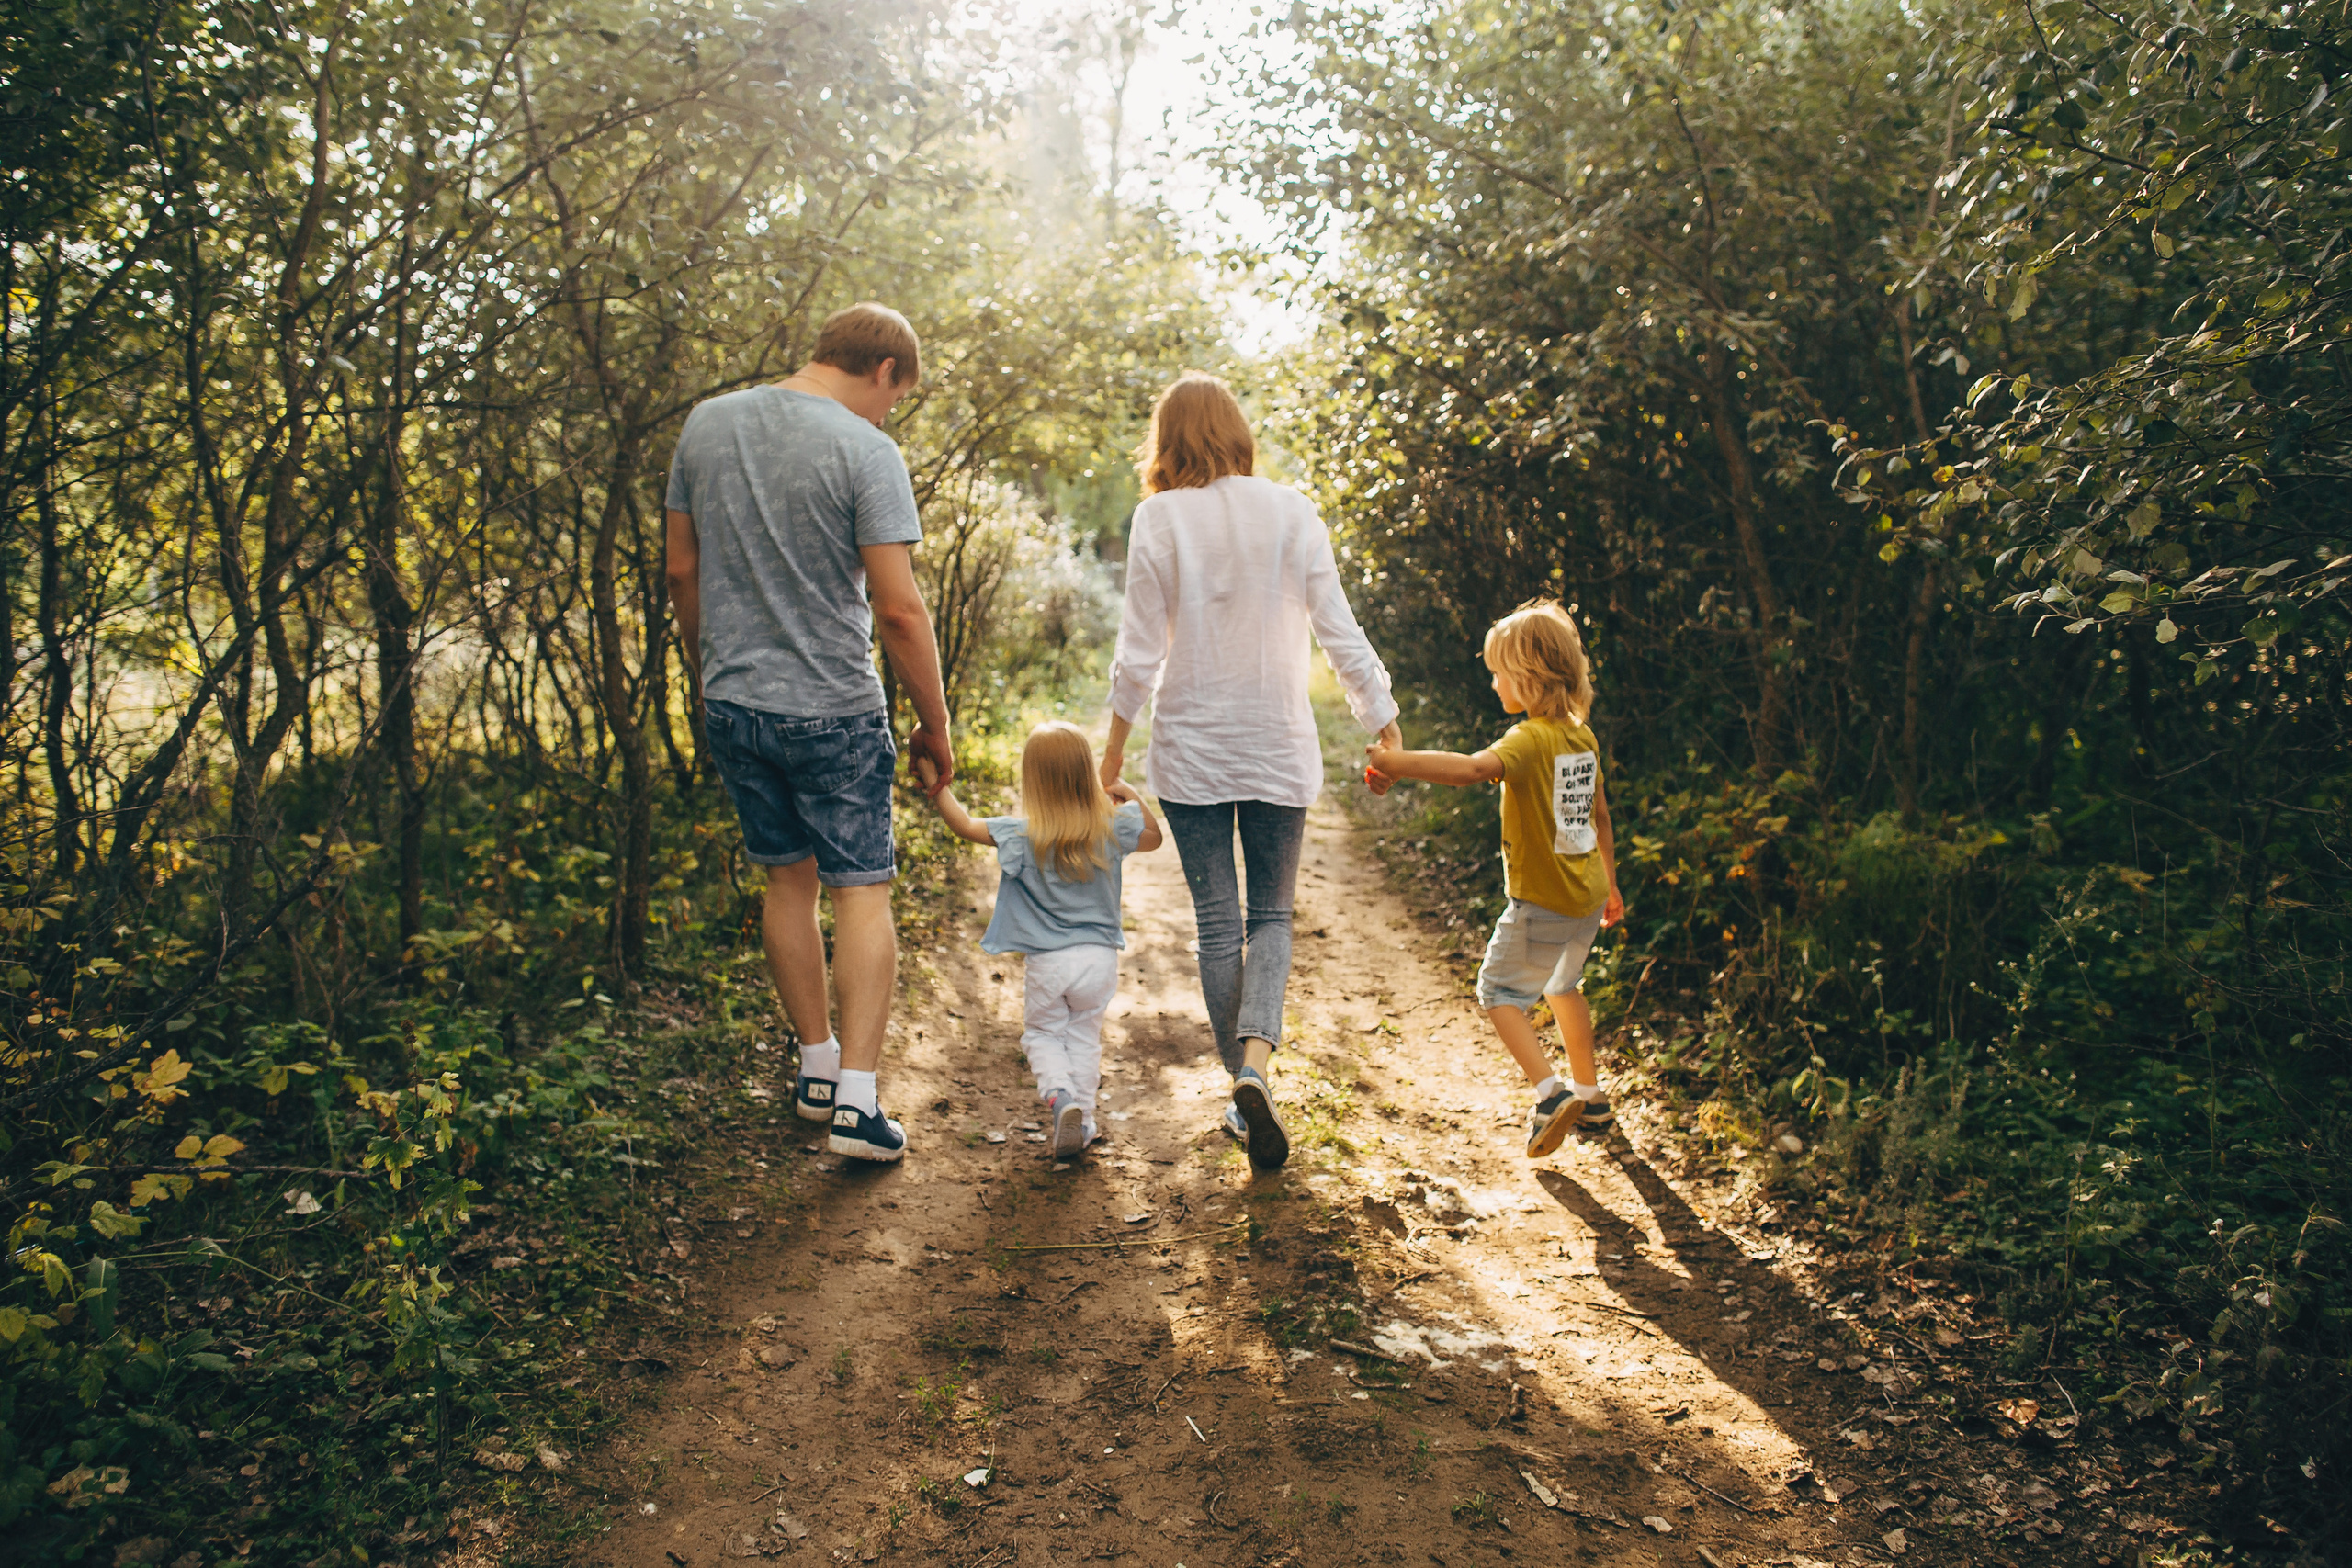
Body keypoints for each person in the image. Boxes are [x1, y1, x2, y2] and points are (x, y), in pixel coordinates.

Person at [663, 301, 955, 1165]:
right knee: (861, 890)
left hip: (736, 702)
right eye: (892, 399)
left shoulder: (707, 424)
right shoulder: (866, 449)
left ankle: (817, 1070)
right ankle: (858, 1109)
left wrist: (708, 666)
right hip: (831, 705)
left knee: (785, 882)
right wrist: (935, 723)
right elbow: (899, 610)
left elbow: (682, 568)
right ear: (884, 373)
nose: (885, 414)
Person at [1102, 372, 1401, 1172]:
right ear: (1236, 431)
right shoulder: (1291, 509)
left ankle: (1241, 1084)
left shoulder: (1158, 517)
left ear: (1167, 441)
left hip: (1193, 748)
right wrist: (1384, 722)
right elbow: (1340, 627)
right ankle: (1258, 1070)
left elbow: (1138, 653)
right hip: (1276, 742)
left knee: (1216, 922)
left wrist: (1109, 753)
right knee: (1271, 916)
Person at [1365, 599, 1626, 1156]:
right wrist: (1613, 883)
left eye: (1498, 673)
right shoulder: (1582, 736)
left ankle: (1551, 1095)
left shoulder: (1528, 740)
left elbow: (1472, 769)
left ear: (1528, 677)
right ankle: (1592, 1097)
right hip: (1585, 897)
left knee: (1497, 991)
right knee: (1561, 986)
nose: (1492, 684)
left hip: (1542, 902)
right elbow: (1599, 815)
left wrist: (1397, 762)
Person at [918, 724, 1163, 1156]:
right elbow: (1154, 836)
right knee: (1085, 1037)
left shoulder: (1021, 834)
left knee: (1043, 1035)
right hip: (1100, 960)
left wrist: (933, 779)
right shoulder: (1110, 827)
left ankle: (1058, 1096)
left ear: (1031, 780)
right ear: (1086, 774)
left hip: (1050, 963)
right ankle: (1084, 1121)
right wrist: (1124, 789)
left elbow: (963, 824)